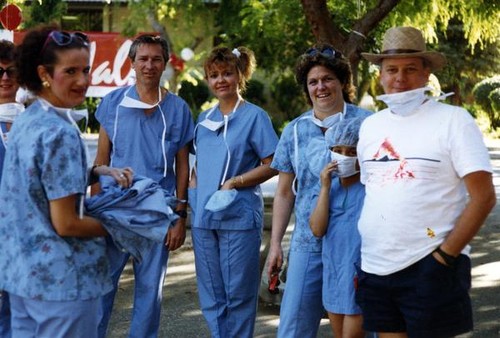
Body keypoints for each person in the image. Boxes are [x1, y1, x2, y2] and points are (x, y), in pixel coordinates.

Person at [356, 26, 496, 338]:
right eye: (391, 70)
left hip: (430, 264)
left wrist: (445, 256)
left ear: (426, 73)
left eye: (410, 70)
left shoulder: (454, 121)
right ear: (380, 74)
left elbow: (484, 197)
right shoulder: (371, 127)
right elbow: (375, 190)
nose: (399, 79)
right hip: (375, 265)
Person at [0, 25, 133, 338]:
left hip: (23, 280)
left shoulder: (27, 120)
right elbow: (67, 224)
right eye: (70, 71)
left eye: (86, 70)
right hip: (63, 285)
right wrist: (125, 225)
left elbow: (34, 179)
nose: (83, 80)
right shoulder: (60, 131)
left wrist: (96, 171)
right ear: (44, 73)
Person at [267, 43, 372, 337]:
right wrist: (276, 244)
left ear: (342, 82)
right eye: (313, 82)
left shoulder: (368, 123)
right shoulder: (295, 131)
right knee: (293, 326)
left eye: (327, 79)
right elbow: (285, 191)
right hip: (308, 240)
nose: (320, 87)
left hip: (357, 239)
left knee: (364, 323)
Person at [93, 34, 194, 338]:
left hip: (157, 211)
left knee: (150, 293)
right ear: (132, 63)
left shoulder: (177, 109)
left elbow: (183, 166)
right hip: (115, 210)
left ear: (165, 64)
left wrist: (179, 216)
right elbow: (100, 160)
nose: (149, 65)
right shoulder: (112, 104)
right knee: (101, 287)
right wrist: (94, 210)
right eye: (143, 59)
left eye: (156, 59)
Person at [188, 46, 278, 337]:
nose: (220, 80)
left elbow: (273, 164)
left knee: (238, 293)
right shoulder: (203, 119)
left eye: (227, 73)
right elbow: (198, 164)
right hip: (204, 217)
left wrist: (235, 182)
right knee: (211, 293)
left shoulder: (255, 117)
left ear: (240, 74)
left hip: (238, 217)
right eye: (213, 75)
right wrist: (193, 193)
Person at [309, 117, 366, 338]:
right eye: (338, 150)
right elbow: (317, 229)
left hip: (360, 273)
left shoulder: (370, 188)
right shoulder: (328, 188)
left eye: (351, 152)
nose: (343, 157)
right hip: (334, 272)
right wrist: (324, 187)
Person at [0, 39, 23, 338]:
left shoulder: (35, 121)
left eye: (11, 70)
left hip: (25, 235)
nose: (5, 76)